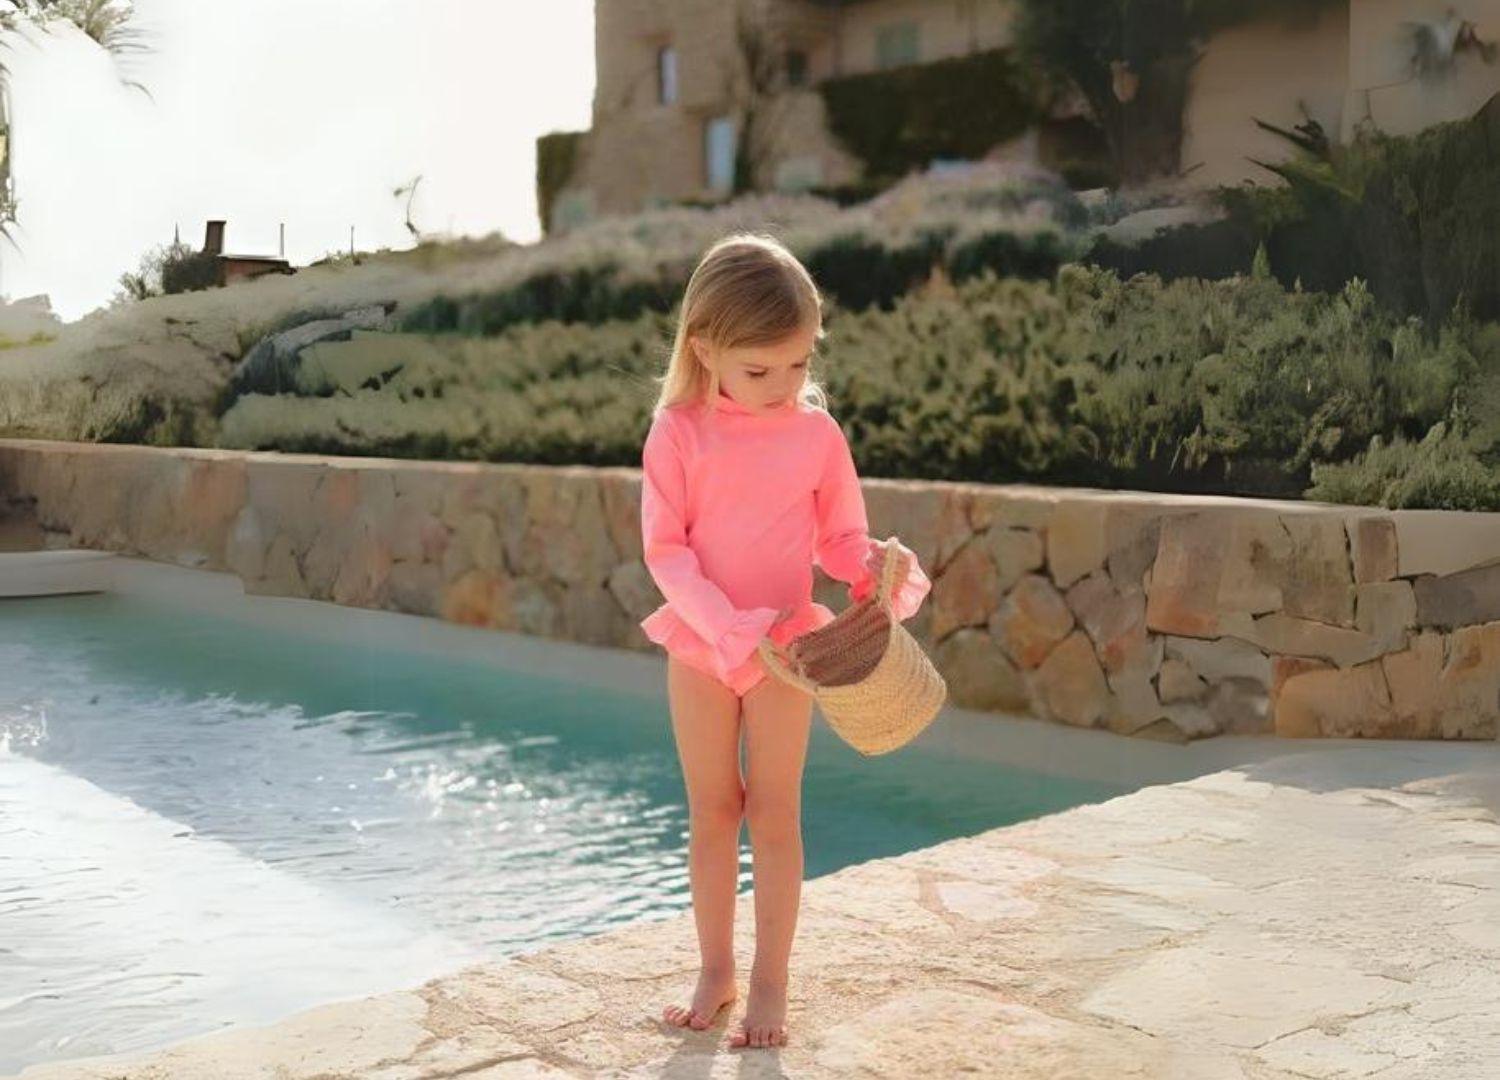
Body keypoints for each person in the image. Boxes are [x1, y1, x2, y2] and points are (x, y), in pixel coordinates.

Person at [638, 232, 930, 1049]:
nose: (783, 387)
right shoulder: (677, 432)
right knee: (710, 814)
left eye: (799, 366)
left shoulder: (816, 437)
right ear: (705, 349)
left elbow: (838, 540)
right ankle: (715, 968)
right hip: (702, 646)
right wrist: (726, 627)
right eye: (759, 370)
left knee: (774, 815)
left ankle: (770, 982)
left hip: (786, 653)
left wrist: (872, 565)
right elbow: (667, 553)